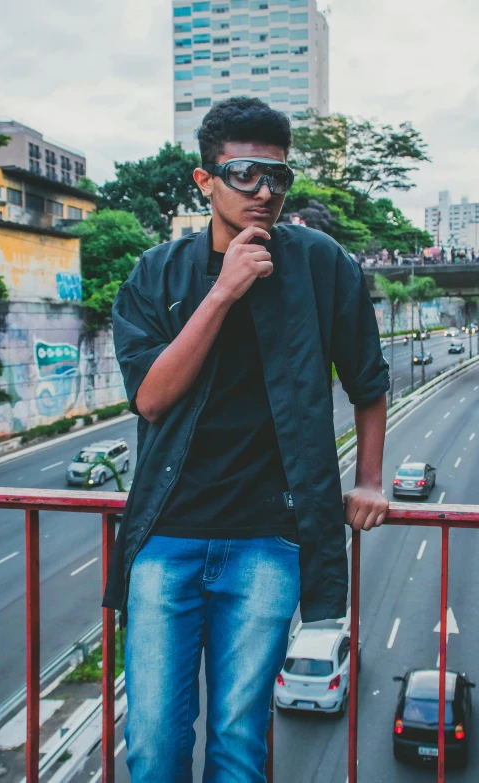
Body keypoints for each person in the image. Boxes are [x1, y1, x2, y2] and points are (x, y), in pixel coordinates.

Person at [102, 97, 389, 783]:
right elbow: (152, 398)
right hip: (165, 539)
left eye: (280, 177)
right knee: (152, 746)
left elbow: (370, 382)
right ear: (206, 183)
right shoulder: (157, 276)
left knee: (238, 746)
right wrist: (223, 291)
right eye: (247, 175)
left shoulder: (322, 265)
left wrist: (372, 479)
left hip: (267, 542)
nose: (267, 192)